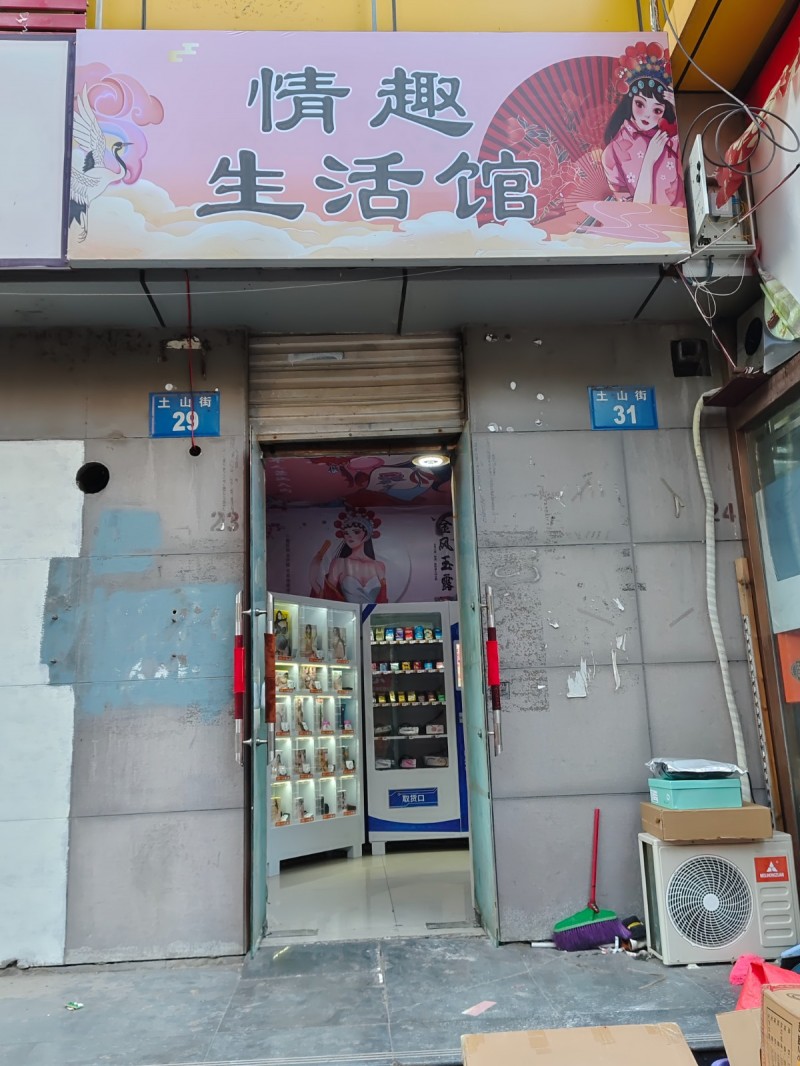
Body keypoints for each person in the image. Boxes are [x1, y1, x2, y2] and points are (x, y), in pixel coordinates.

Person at [602, 43, 683, 207]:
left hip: (682, 220)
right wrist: (649, 159)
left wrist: (677, 112)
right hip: (651, 221)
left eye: (657, 110)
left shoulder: (669, 139)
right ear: (630, 102)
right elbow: (634, 212)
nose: (647, 115)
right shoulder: (612, 153)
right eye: (640, 104)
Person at [310, 508, 388, 604]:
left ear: (367, 536)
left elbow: (382, 601)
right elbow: (329, 597)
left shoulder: (379, 566)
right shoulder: (339, 563)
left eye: (356, 532)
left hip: (373, 613)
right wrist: (313, 581)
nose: (350, 536)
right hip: (347, 612)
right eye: (346, 533)